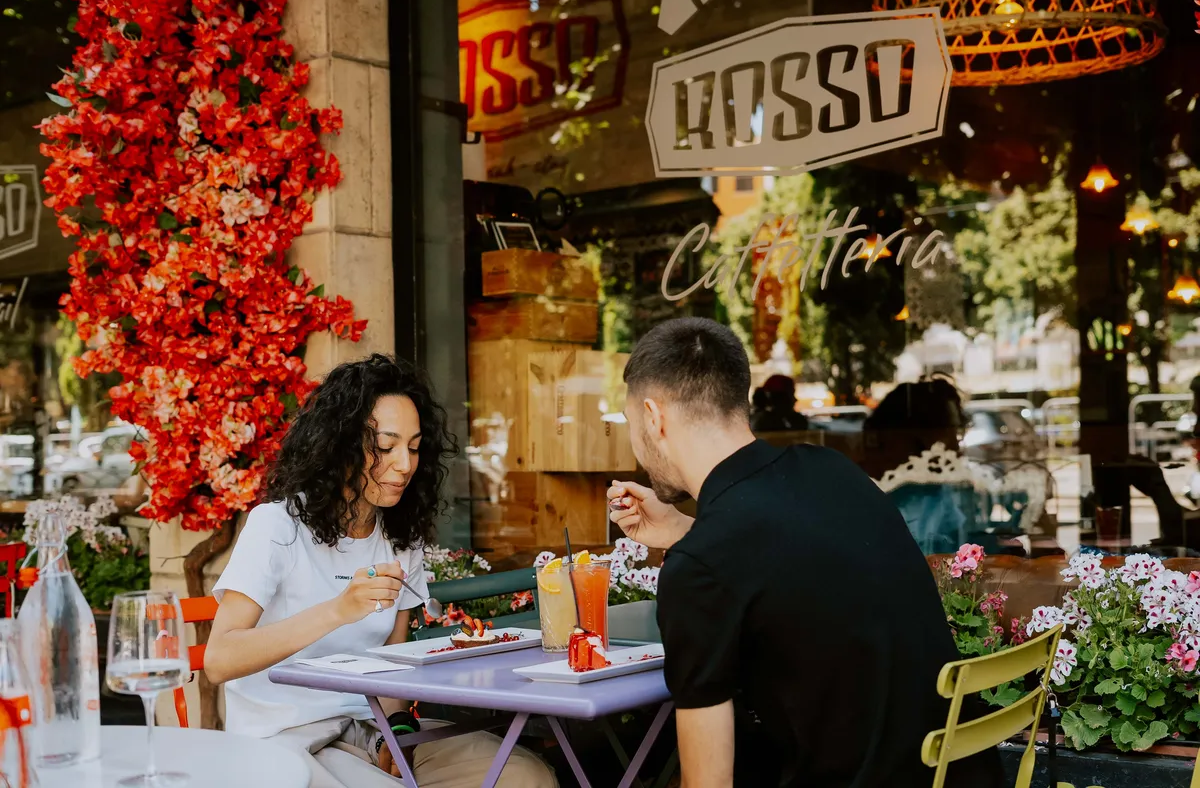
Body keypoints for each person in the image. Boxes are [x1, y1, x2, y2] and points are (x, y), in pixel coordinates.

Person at [607, 318, 1005, 788]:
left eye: (632, 424)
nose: (635, 442)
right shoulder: (831, 471)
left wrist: (694, 549)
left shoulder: (702, 569)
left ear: (654, 417)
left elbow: (708, 783)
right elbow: (781, 558)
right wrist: (684, 532)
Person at [204, 354, 556, 788]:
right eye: (386, 447)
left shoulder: (399, 537)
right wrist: (338, 609)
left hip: (372, 731)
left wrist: (401, 731)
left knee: (525, 776)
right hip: (284, 739)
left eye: (413, 447)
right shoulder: (276, 525)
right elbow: (218, 660)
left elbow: (394, 663)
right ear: (341, 446)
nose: (405, 464)